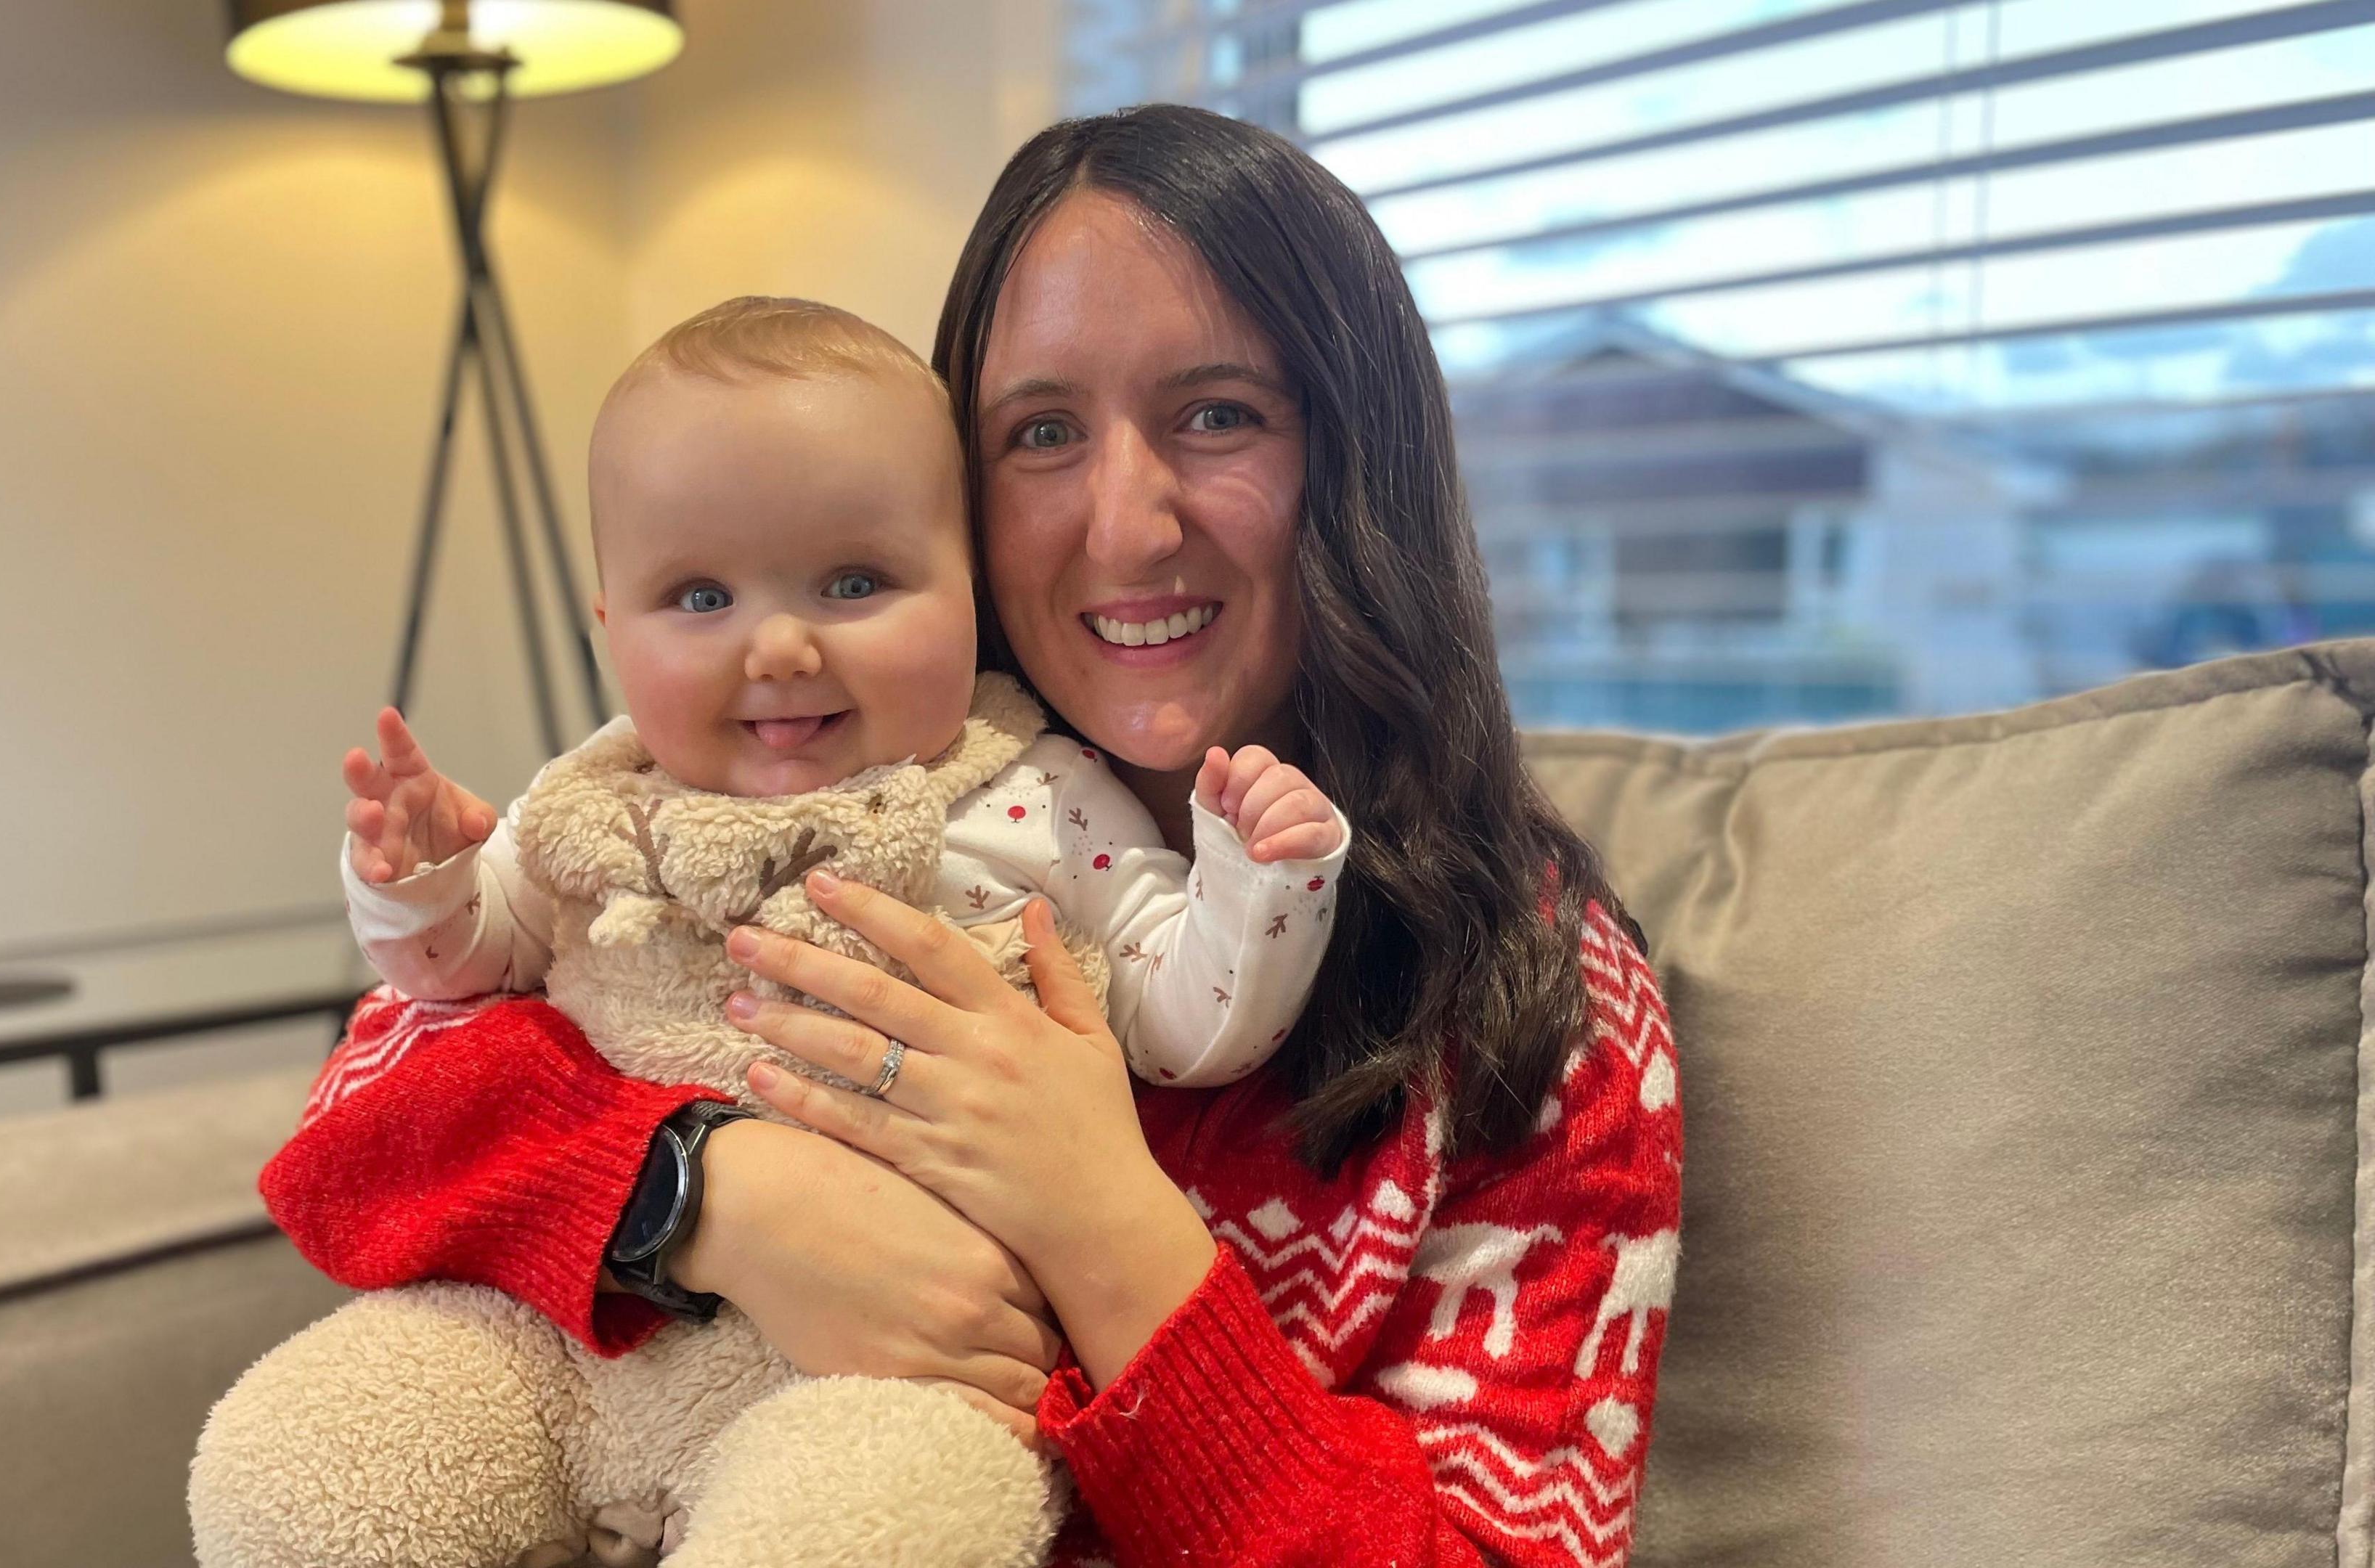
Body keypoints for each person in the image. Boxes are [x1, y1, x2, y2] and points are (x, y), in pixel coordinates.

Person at [257, 104, 1682, 1568]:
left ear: (1356, 456)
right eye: (1043, 432)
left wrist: (1105, 1232)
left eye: (1219, 414)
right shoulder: (784, 805)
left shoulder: (1537, 998)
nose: (1126, 528)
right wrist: (707, 1196)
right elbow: (349, 1138)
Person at [343, 298, 1348, 1101]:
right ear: (611, 632)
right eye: (702, 598)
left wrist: (1255, 883)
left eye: (855, 584)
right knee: (362, 1365)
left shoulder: (1040, 798)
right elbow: (459, 978)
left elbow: (1182, 1030)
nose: (780, 648)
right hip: (620, 1285)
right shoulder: (601, 803)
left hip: (926, 1289)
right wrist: (426, 885)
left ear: (971, 595)